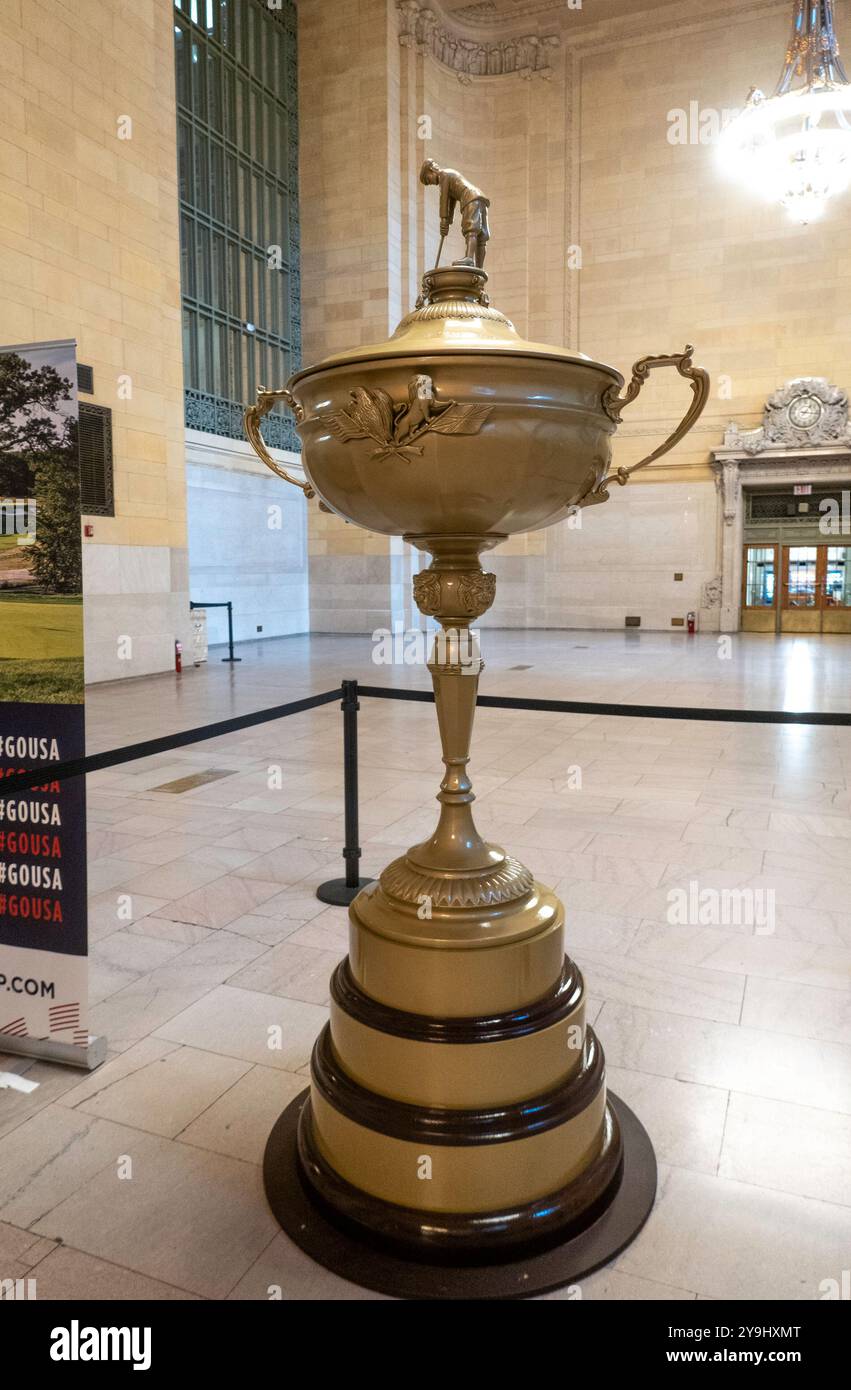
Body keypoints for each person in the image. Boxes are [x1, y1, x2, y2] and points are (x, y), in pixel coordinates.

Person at [419, 159, 490, 269]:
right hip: (480, 198)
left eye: (429, 179)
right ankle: (479, 267)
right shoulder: (449, 174)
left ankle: (470, 259)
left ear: (432, 170)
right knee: (481, 235)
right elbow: (451, 201)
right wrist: (448, 220)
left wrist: (443, 220)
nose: (432, 183)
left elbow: (444, 200)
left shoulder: (443, 175)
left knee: (470, 229)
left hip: (469, 197)